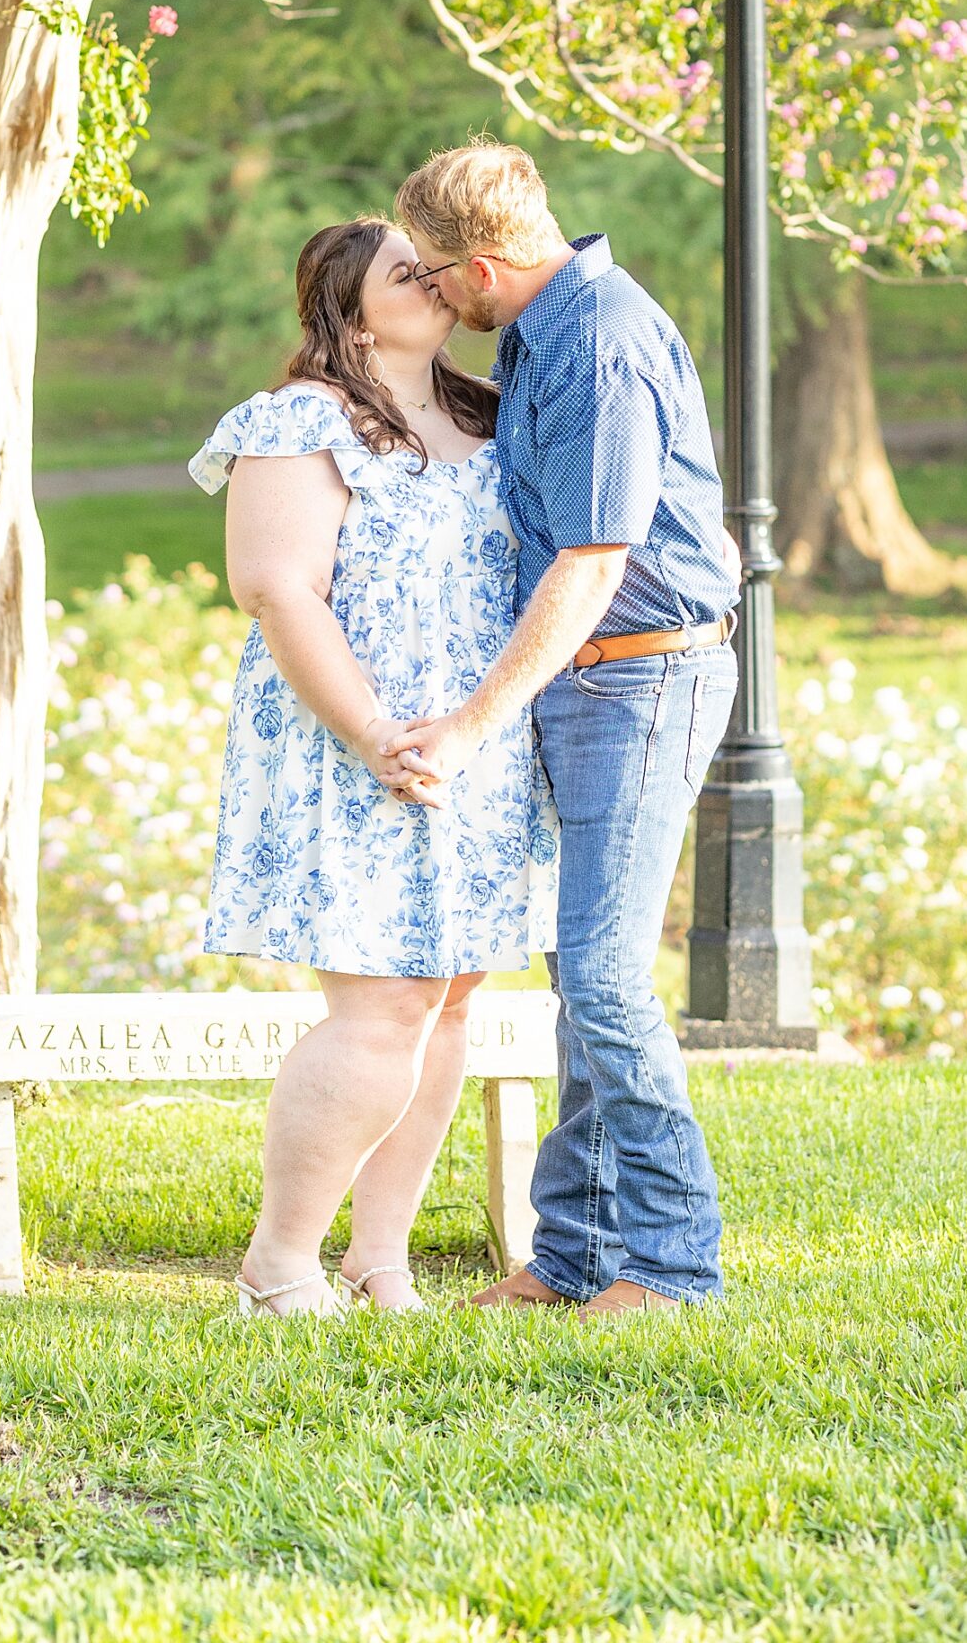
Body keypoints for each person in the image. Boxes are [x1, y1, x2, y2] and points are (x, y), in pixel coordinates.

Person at [390, 142, 739, 1319]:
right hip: (591, 682)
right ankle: (578, 1255)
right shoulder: (546, 329)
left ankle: (675, 1265)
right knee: (581, 976)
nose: (434, 298)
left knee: (600, 974)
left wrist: (472, 725)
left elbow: (595, 561)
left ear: (483, 266)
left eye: (436, 278)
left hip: (640, 679)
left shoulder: (598, 341)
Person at [189, 217, 558, 1317]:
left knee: (448, 1003)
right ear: (350, 309)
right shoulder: (300, 419)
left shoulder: (485, 412)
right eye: (409, 271)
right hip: (354, 747)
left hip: (472, 747)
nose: (437, 280)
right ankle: (279, 1261)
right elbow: (276, 587)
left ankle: (379, 1256)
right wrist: (370, 735)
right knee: (383, 1003)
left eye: (439, 265)